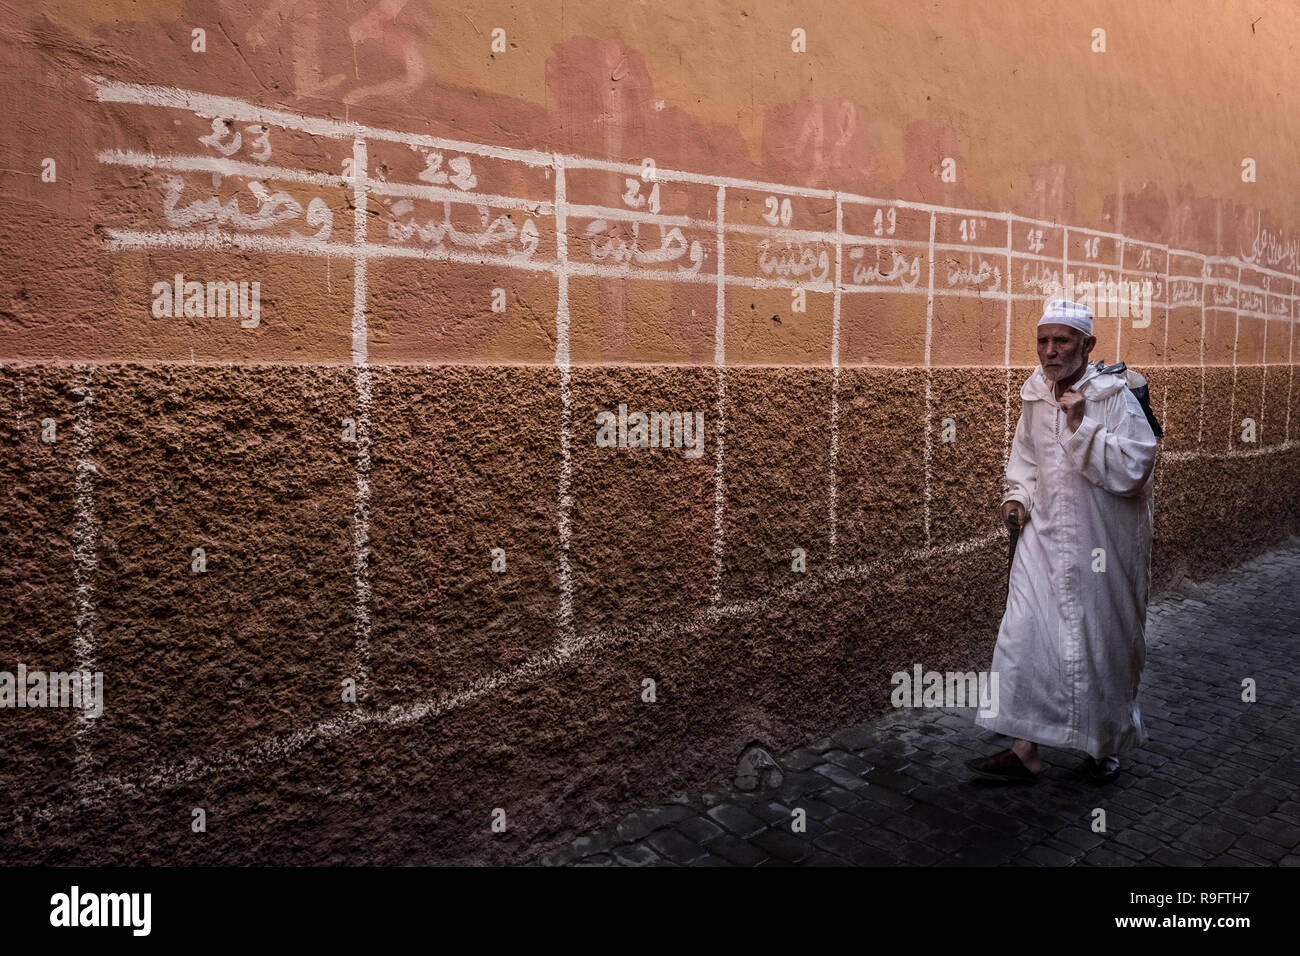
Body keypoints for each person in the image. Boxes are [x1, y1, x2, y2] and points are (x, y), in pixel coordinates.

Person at [966, 298, 1159, 784]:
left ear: (1087, 345)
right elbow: (1025, 459)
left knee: (1099, 645)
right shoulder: (1035, 392)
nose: (1050, 352)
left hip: (1103, 548)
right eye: (1043, 341)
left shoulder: (1116, 394)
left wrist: (1081, 425)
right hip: (1044, 538)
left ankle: (1103, 747)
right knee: (1023, 635)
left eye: (1062, 341)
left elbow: (1135, 469)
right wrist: (1018, 497)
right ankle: (1023, 747)